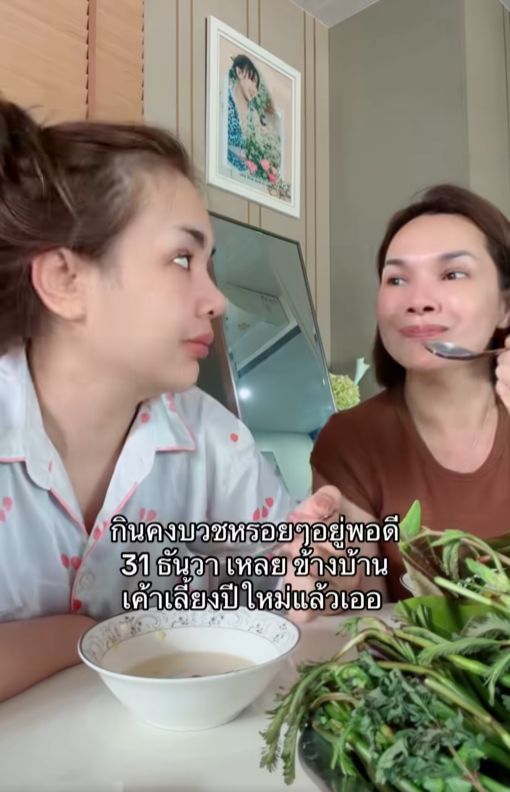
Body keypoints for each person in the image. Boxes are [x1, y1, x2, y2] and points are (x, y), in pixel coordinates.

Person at [0, 99, 343, 703]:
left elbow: (284, 585)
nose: (217, 300)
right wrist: (84, 637)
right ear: (64, 280)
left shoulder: (212, 438)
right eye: (182, 259)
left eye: (210, 264)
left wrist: (322, 561)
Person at [311, 184, 510, 601]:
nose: (417, 301)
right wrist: (331, 583)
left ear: (504, 307)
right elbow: (361, 617)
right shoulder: (351, 440)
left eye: (452, 274)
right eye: (397, 279)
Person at [227, 54, 260, 172]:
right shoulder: (224, 100)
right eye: (252, 81)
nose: (254, 90)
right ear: (239, 72)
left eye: (257, 86)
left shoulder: (253, 115)